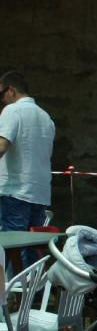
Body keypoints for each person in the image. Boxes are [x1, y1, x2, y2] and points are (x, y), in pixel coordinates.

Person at [0, 71, 56, 262]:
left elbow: (1, 145)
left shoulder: (12, 111)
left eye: (1, 95)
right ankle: (32, 291)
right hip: (39, 194)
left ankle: (10, 291)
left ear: (12, 91)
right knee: (32, 250)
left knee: (10, 250)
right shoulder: (45, 117)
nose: (2, 100)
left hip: (14, 191)